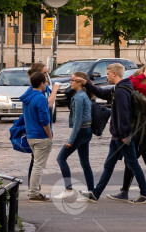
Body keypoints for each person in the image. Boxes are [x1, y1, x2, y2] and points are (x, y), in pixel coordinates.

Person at [78, 63, 146, 204]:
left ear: (115, 74)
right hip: (117, 136)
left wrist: (124, 135)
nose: (107, 76)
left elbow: (123, 114)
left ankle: (145, 193)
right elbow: (102, 93)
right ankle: (96, 194)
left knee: (133, 164)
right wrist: (86, 83)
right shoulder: (118, 88)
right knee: (109, 165)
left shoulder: (120, 91)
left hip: (122, 136)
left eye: (108, 74)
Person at [108, 65, 146, 201]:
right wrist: (141, 75)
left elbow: (130, 82)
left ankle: (126, 191)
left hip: (143, 130)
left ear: (143, 79)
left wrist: (141, 75)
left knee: (131, 160)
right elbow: (128, 81)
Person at [54, 71, 94, 199]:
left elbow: (78, 121)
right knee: (85, 162)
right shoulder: (84, 95)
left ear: (79, 82)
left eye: (72, 80)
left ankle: (68, 189)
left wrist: (71, 140)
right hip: (87, 131)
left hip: (81, 132)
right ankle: (91, 191)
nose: (70, 82)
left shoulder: (79, 97)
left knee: (61, 158)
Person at [21, 71, 54, 202]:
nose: (46, 84)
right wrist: (49, 135)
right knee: (38, 166)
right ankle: (34, 193)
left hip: (31, 135)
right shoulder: (40, 98)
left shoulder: (27, 97)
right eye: (45, 82)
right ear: (41, 84)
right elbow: (44, 119)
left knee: (36, 164)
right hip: (41, 136)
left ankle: (34, 191)